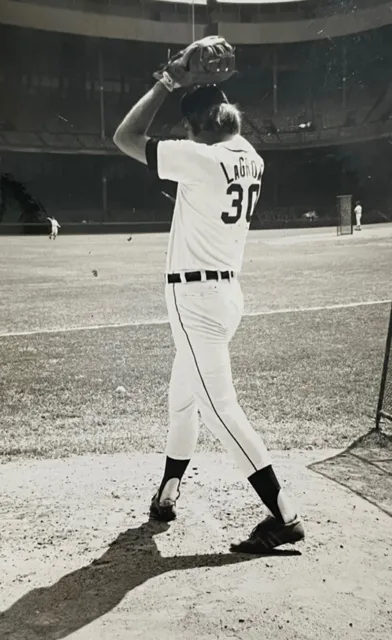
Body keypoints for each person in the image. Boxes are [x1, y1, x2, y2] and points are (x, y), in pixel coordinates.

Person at [113, 71, 305, 553]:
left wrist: (165, 80)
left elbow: (125, 137)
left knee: (219, 409)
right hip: (223, 295)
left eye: (189, 129)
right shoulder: (251, 157)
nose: (185, 137)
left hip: (196, 302)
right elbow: (211, 152)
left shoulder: (200, 157)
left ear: (198, 125)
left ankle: (285, 516)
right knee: (183, 400)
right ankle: (168, 492)